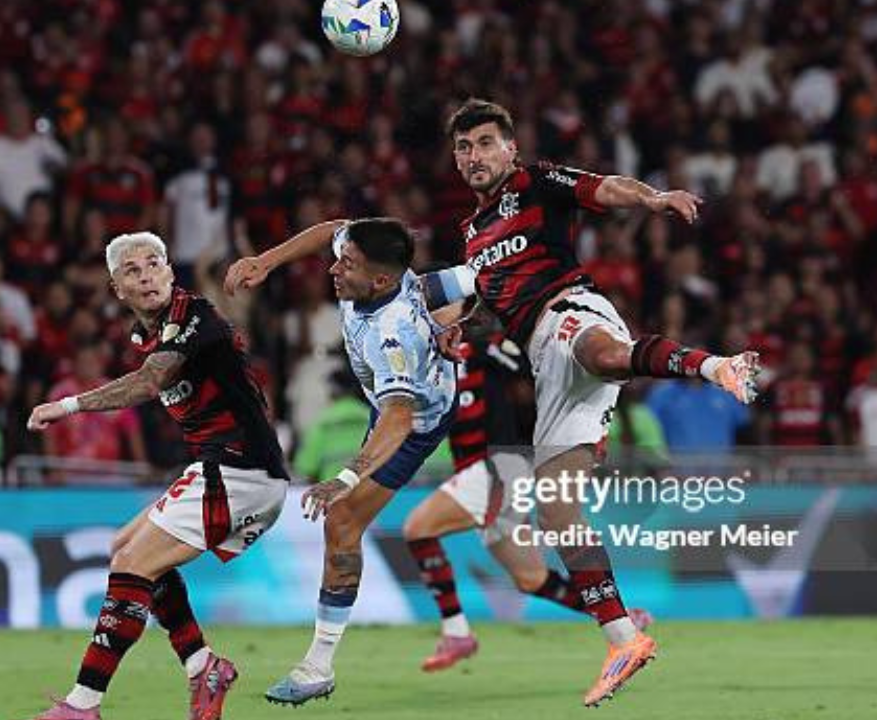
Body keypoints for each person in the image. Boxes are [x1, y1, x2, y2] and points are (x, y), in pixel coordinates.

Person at [423, 99, 760, 707]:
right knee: (557, 513)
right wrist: (456, 329)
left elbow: (604, 188)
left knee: (606, 354)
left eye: (484, 143)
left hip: (571, 311)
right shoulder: (471, 237)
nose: (474, 156)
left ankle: (716, 366)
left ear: (510, 149)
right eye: (464, 148)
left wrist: (653, 198)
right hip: (544, 363)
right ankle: (624, 639)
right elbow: (484, 303)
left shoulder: (535, 181)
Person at [24, 231, 289, 720]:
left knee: (132, 568)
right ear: (116, 288)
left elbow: (150, 382)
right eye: (132, 269)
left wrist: (66, 405)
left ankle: (83, 705)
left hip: (241, 469)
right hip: (222, 467)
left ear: (171, 271)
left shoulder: (195, 317)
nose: (146, 275)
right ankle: (202, 663)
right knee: (124, 550)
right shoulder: (148, 334)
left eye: (154, 264)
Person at [224, 218, 457, 706]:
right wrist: (265, 261)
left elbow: (398, 417)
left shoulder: (392, 335)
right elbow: (331, 228)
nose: (332, 268)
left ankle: (318, 666)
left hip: (415, 420)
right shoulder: (383, 276)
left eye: (346, 264)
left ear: (380, 281)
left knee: (343, 521)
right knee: (474, 279)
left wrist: (347, 477)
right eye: (340, 256)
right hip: (398, 390)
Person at [401, 311, 653, 672]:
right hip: (486, 473)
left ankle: (456, 632)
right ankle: (623, 618)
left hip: (497, 468)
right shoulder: (430, 361)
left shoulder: (484, 348)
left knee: (417, 528)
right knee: (530, 579)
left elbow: (542, 369)